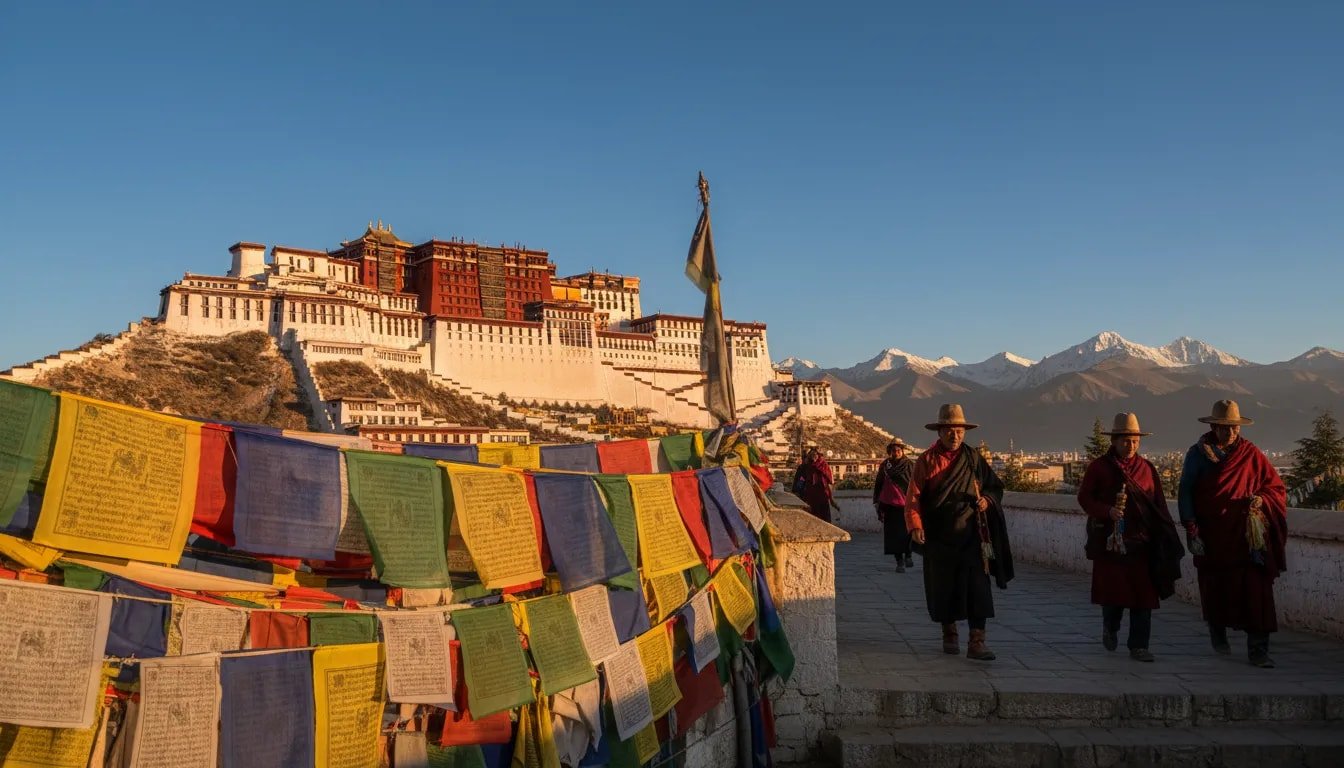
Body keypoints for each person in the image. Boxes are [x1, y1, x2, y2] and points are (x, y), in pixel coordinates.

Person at [1178, 400, 1287, 668]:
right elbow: (1186, 492)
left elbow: (1275, 487)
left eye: (1234, 428)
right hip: (1214, 536)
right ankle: (1218, 631)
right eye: (1225, 428)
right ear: (1213, 427)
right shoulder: (1198, 455)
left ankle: (1258, 650)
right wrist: (1191, 527)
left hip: (1248, 538)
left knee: (1257, 591)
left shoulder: (1251, 454)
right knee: (1217, 588)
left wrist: (1261, 500)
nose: (1231, 434)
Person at [905, 404, 1013, 661]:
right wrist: (915, 525)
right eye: (950, 431)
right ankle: (949, 632)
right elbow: (913, 498)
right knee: (944, 587)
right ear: (940, 431)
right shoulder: (926, 460)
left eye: (960, 431)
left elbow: (995, 487)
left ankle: (977, 641)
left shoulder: (973, 458)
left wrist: (987, 499)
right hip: (939, 534)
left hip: (972, 534)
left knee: (978, 586)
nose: (955, 436)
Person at [1077, 413, 1185, 662]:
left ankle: (1139, 645)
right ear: (1114, 440)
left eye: (1135, 441)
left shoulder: (1146, 469)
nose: (1131, 446)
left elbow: (1158, 504)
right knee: (1114, 596)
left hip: (1141, 542)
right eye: (1126, 441)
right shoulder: (1100, 467)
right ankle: (1110, 627)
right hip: (1112, 542)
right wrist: (1107, 511)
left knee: (1143, 598)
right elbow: (1085, 498)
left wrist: (1164, 534)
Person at [873, 439, 915, 572]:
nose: (896, 453)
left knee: (908, 532)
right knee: (893, 535)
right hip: (889, 504)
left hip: (906, 504)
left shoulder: (909, 465)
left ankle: (908, 554)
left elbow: (915, 483)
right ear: (890, 452)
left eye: (898, 450)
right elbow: (879, 482)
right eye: (893, 451)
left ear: (902, 451)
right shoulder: (885, 466)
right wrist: (876, 499)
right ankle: (899, 561)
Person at [792, 446, 838, 523]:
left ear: (819, 455)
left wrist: (831, 499)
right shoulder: (805, 467)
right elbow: (801, 480)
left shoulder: (823, 465)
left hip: (822, 497)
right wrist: (798, 492)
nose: (814, 457)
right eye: (811, 455)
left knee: (825, 520)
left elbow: (829, 482)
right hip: (810, 497)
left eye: (815, 455)